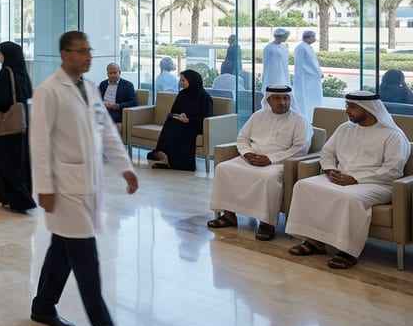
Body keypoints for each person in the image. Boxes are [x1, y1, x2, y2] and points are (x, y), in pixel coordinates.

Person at [29, 30, 139, 326]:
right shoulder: (49, 92)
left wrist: (126, 168)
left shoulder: (91, 89)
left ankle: (43, 306)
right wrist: (45, 188)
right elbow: (40, 144)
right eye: (81, 51)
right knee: (86, 261)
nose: (88, 56)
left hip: (88, 184)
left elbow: (106, 134)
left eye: (89, 50)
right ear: (65, 54)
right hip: (64, 187)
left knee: (62, 248)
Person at [286, 90, 410, 270]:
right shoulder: (344, 128)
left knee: (349, 198)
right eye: (347, 105)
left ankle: (348, 251)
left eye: (352, 107)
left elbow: (392, 170)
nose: (347, 111)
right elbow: (327, 152)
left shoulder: (392, 135)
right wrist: (330, 169)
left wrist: (355, 179)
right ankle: (315, 242)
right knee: (303, 186)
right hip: (341, 177)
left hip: (378, 184)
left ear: (368, 109)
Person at [207, 85, 311, 242]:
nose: (282, 102)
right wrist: (248, 154)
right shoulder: (258, 116)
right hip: (251, 158)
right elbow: (242, 138)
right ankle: (229, 216)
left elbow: (300, 149)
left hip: (279, 163)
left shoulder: (299, 121)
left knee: (268, 179)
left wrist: (270, 159)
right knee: (223, 168)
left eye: (286, 98)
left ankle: (267, 223)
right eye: (277, 98)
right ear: (268, 100)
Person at [0, 41, 36, 212]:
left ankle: (15, 199)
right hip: (21, 125)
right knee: (19, 162)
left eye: (0, 53)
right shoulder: (22, 73)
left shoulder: (5, 73)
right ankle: (13, 196)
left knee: (6, 162)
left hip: (6, 128)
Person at [146, 69, 213, 171]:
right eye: (180, 80)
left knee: (174, 126)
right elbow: (173, 111)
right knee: (171, 121)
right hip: (181, 123)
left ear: (192, 81)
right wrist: (179, 116)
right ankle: (164, 156)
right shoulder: (182, 94)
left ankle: (165, 155)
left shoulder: (204, 97)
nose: (181, 83)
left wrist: (189, 120)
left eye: (183, 80)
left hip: (195, 126)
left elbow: (206, 118)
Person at [292, 30, 322, 119]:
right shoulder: (302, 48)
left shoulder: (306, 47)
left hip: (311, 77)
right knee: (305, 97)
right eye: (313, 37)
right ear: (308, 37)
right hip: (306, 78)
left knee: (311, 97)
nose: (315, 39)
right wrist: (317, 72)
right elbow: (305, 64)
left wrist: (318, 72)